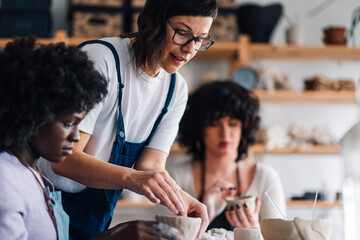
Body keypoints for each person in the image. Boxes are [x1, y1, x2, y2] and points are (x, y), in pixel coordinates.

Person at [38, 0, 218, 239]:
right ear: (151, 21)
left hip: (96, 218)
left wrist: (182, 198)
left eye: (200, 39)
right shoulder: (100, 59)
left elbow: (150, 166)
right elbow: (62, 158)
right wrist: (132, 178)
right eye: (183, 33)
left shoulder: (176, 89)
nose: (189, 49)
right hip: (46, 206)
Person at [0, 37, 180, 240]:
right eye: (69, 123)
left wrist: (118, 233)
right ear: (32, 114)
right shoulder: (5, 182)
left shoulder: (32, 174)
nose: (76, 136)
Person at [168, 80, 287, 230]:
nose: (224, 133)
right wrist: (206, 213)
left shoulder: (265, 177)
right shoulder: (175, 178)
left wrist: (254, 231)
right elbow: (162, 234)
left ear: (244, 128)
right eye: (214, 124)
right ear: (199, 128)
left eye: (232, 124)